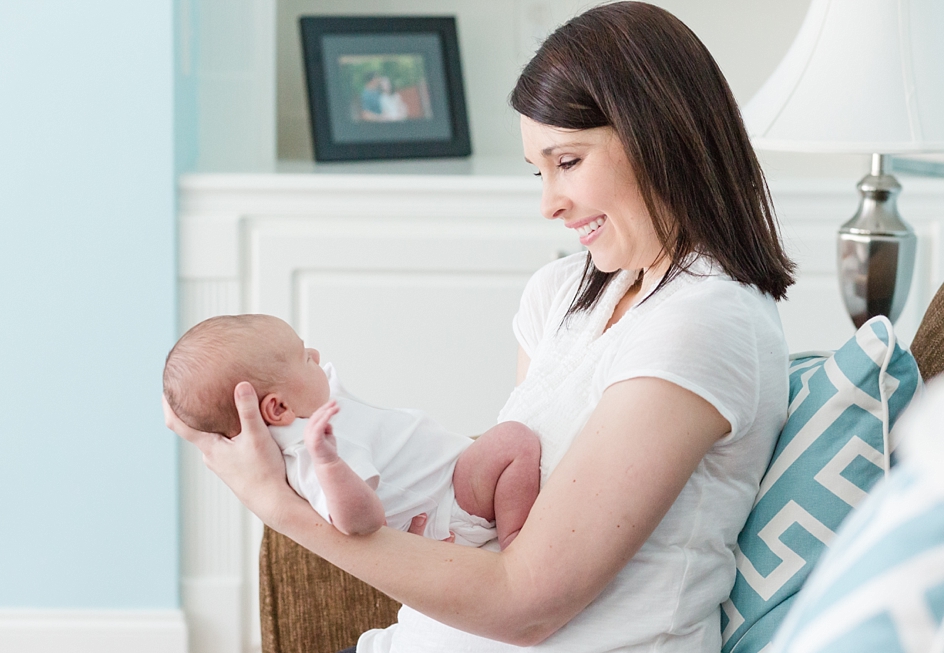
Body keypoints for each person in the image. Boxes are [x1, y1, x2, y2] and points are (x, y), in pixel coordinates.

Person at [165, 3, 797, 652]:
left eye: (569, 161)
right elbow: (491, 523)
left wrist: (280, 507)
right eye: (538, 171)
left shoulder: (705, 323)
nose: (548, 202)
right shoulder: (562, 297)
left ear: (659, 136)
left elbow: (526, 603)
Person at [163, 314, 540, 549]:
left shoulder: (309, 410)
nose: (314, 353)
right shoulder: (309, 452)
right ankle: (517, 544)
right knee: (514, 440)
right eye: (301, 356)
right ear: (277, 408)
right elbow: (361, 523)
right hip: (449, 503)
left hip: (452, 482)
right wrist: (329, 465)